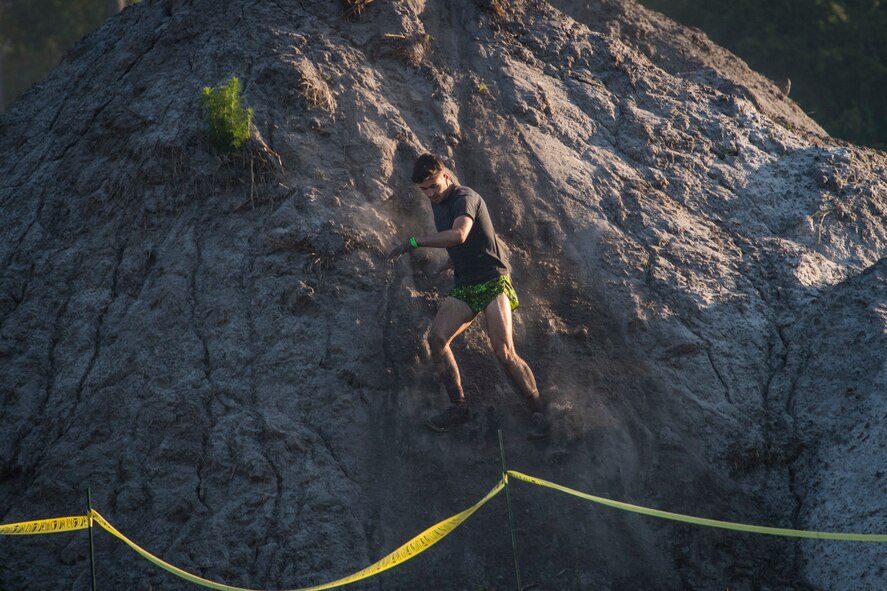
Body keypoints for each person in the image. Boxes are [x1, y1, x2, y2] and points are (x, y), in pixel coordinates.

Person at [387, 154, 549, 440]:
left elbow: (460, 234)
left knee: (504, 351)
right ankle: (459, 408)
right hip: (465, 284)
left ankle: (540, 413)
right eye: (424, 189)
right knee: (436, 339)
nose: (430, 194)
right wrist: (454, 262)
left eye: (434, 186)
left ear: (446, 176)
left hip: (493, 281)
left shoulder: (465, 196)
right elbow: (468, 242)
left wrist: (414, 242)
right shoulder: (438, 203)